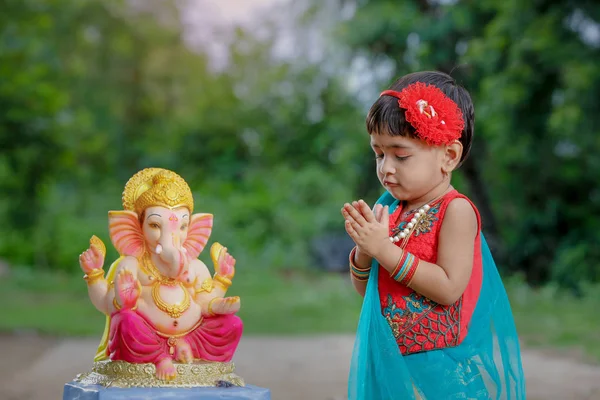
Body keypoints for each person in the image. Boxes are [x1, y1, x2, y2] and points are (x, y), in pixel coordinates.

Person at [341, 71, 525, 399]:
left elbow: (449, 288)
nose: (386, 168)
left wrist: (383, 248)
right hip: (389, 361)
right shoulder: (391, 209)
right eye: (379, 154)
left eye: (401, 155)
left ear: (448, 156)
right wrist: (365, 251)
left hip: (440, 369)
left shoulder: (456, 211)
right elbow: (365, 291)